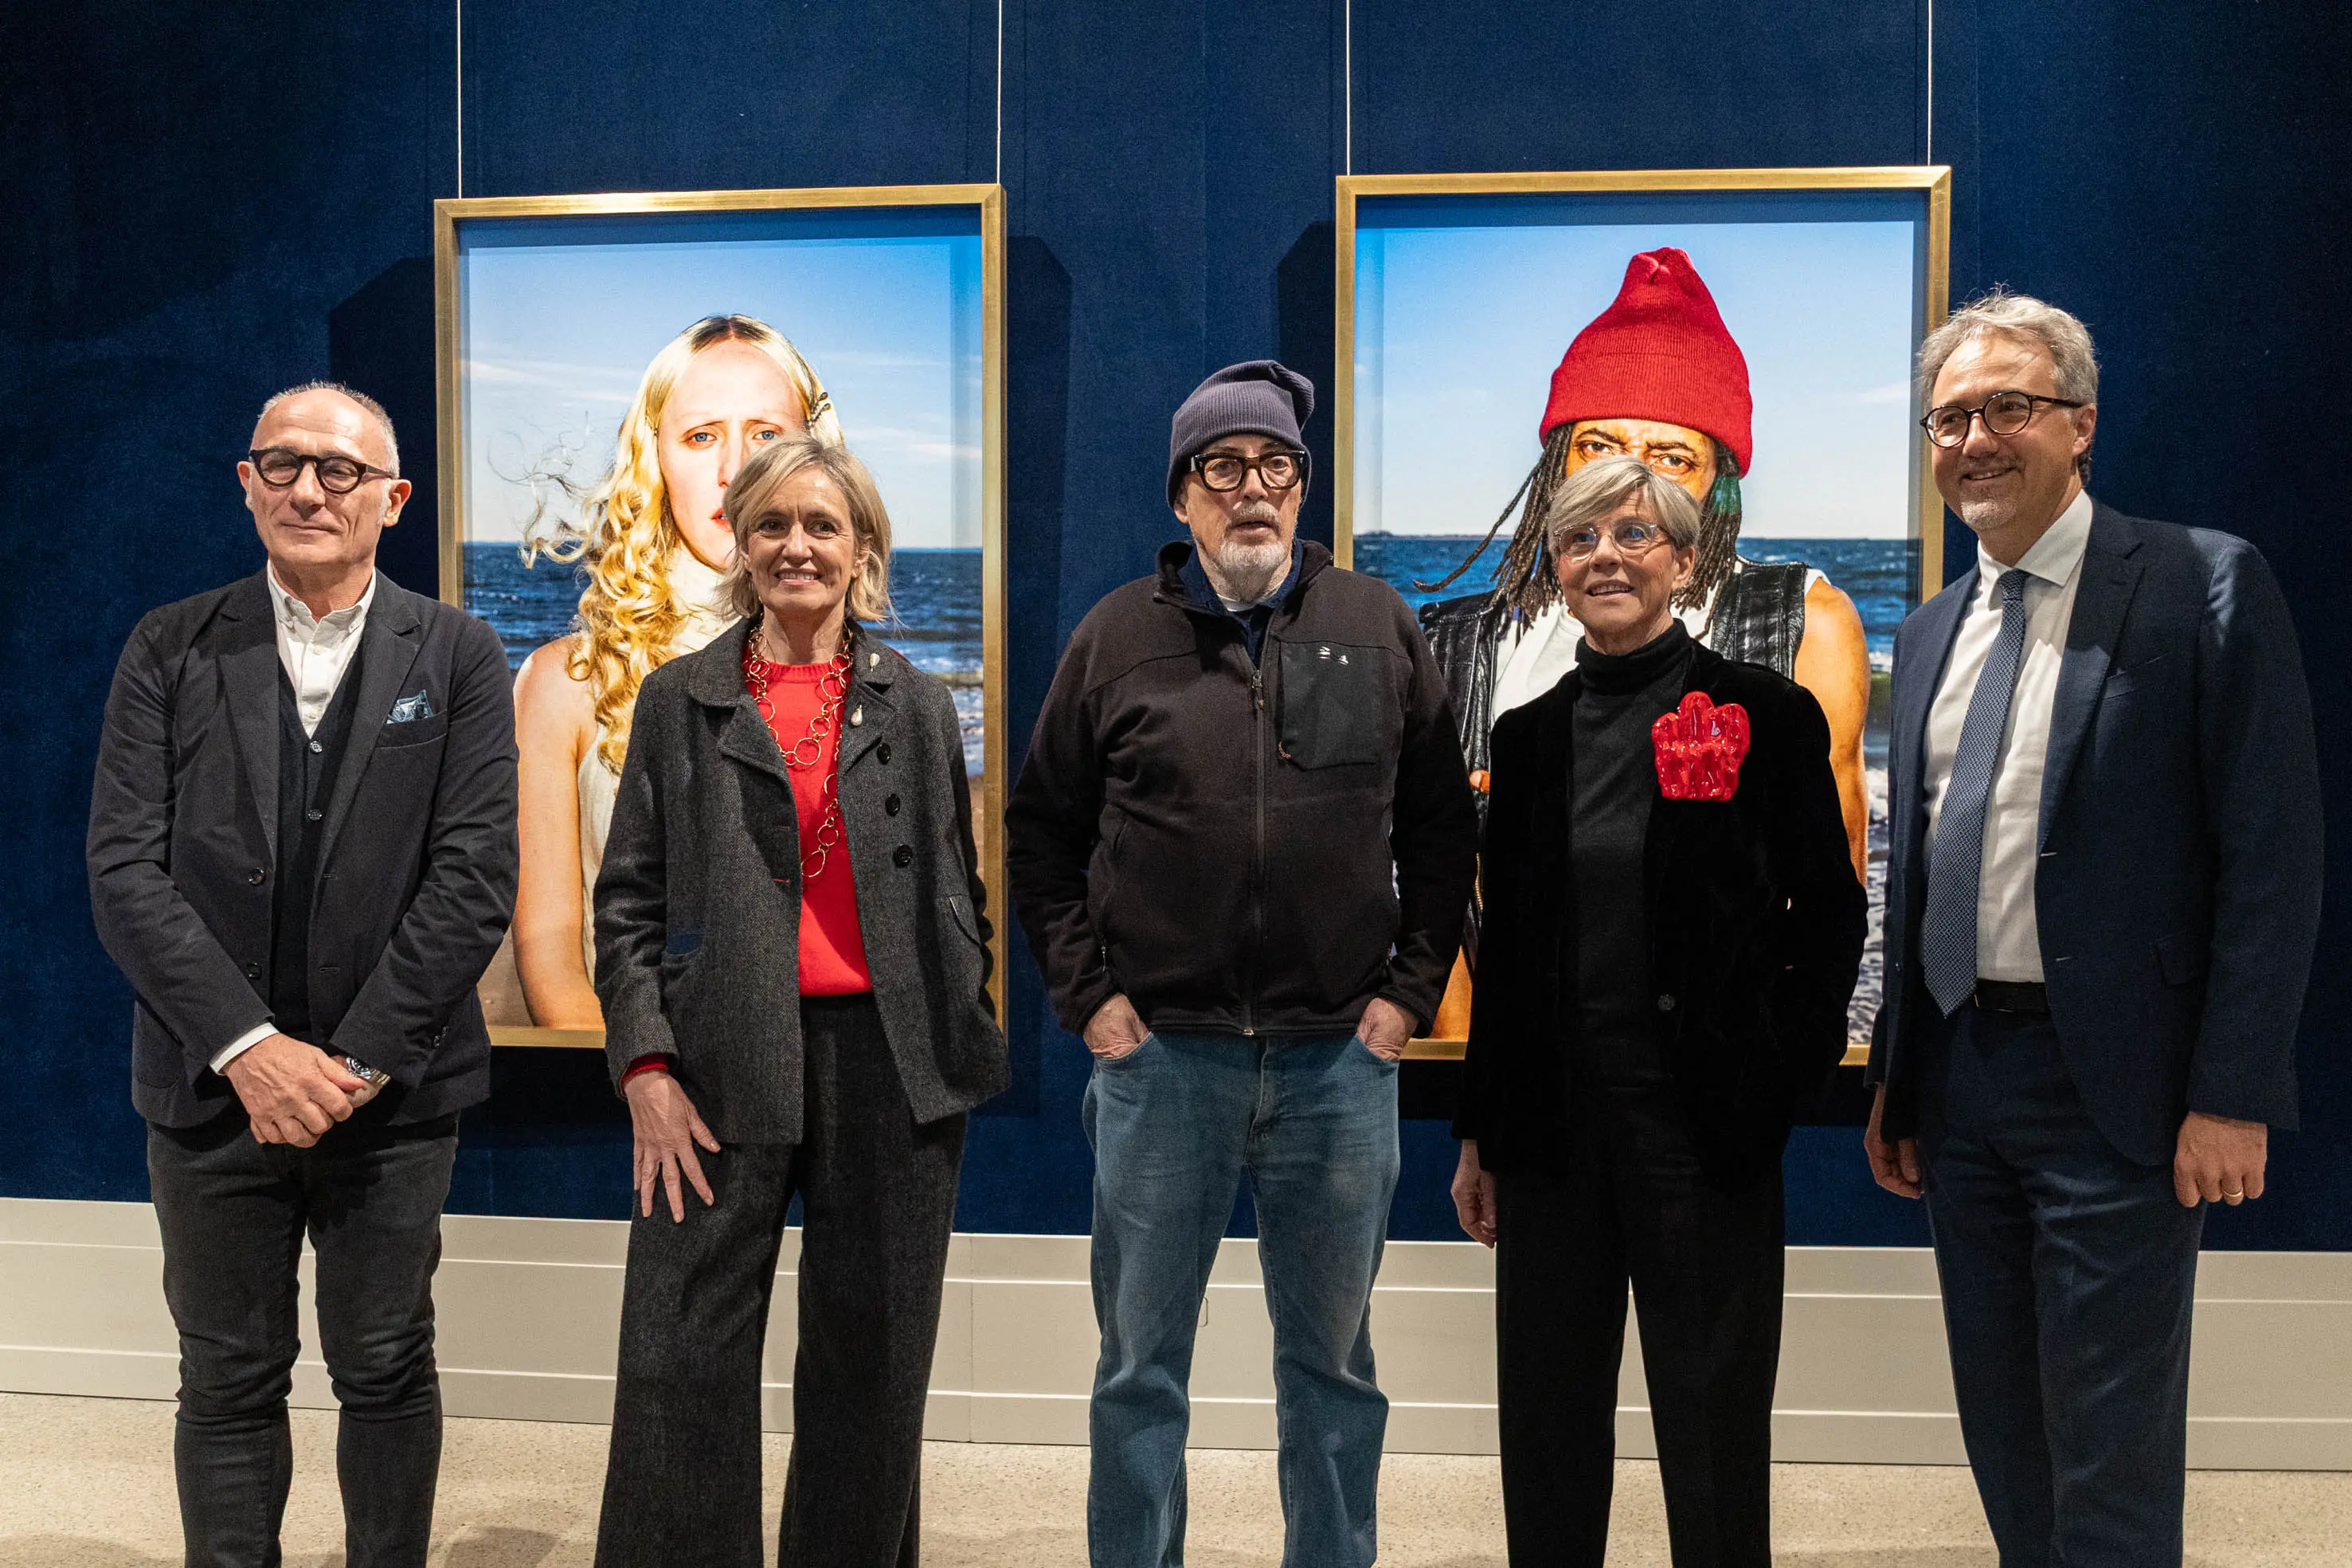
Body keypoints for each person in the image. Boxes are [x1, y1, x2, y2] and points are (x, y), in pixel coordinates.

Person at [1864, 291, 2323, 1566]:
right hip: (1960, 1085)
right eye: (1948, 417)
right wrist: (1901, 1074)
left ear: (2082, 423)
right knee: (2003, 1424)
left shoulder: (2197, 582)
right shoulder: (1930, 629)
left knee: (2109, 1448)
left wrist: (2232, 1089)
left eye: (2007, 406)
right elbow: (1921, 878)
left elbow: (2272, 863)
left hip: (2114, 1086)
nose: (1973, 439)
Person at [1006, 360, 1479, 1568]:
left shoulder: (1375, 625)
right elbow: (1040, 833)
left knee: (1331, 1369)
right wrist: (1091, 1000)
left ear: (1301, 486)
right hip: (1163, 1064)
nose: (1252, 491)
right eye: (1224, 470)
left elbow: (1438, 828)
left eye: (1276, 467)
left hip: (1338, 1066)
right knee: (1138, 1372)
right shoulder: (1116, 638)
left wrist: (1407, 994)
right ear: (1183, 497)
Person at [87, 382, 519, 1568]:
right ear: (246, 481)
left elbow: (476, 876)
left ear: (394, 498)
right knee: (226, 1373)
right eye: (281, 463)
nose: (308, 488)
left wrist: (353, 1061)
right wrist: (251, 1048)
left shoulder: (463, 652)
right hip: (208, 1084)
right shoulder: (168, 646)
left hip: (395, 1095)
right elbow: (123, 870)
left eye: (339, 469)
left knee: (384, 1362)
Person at [591, 432, 1005, 1567]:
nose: (797, 547)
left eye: (823, 525)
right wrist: (646, 1065)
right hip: (720, 1059)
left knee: (871, 1362)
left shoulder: (916, 705)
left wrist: (958, 1009)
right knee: (680, 1361)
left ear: (862, 547)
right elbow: (623, 900)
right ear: (739, 541)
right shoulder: (680, 700)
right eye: (772, 524)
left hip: (890, 1063)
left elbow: (956, 884)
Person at [1449, 455, 1863, 1566]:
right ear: (1557, 564)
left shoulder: (1762, 713)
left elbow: (1828, 912)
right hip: (1548, 1137)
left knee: (1712, 1421)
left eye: (1633, 536)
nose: (1605, 558)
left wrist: (1784, 1080)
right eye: (1580, 539)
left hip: (1702, 1126)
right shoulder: (1526, 740)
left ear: (1684, 560)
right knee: (1545, 1421)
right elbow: (1509, 953)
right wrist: (1479, 1131)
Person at [1419, 248, 1871, 1028]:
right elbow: (1438, 894)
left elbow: (1831, 894)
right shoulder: (1459, 645)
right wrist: (1467, 1078)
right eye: (1599, 445)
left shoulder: (1803, 628)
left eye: (1670, 455)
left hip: (1711, 1092)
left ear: (1717, 480)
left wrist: (1775, 1076)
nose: (1631, 481)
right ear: (1557, 460)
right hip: (1528, 1086)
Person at [507, 313, 841, 1027]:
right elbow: (555, 968)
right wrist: (652, 1085)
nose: (734, 471)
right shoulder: (564, 684)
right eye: (700, 436)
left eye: (766, 435)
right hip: (629, 1114)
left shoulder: (876, 685)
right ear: (653, 458)